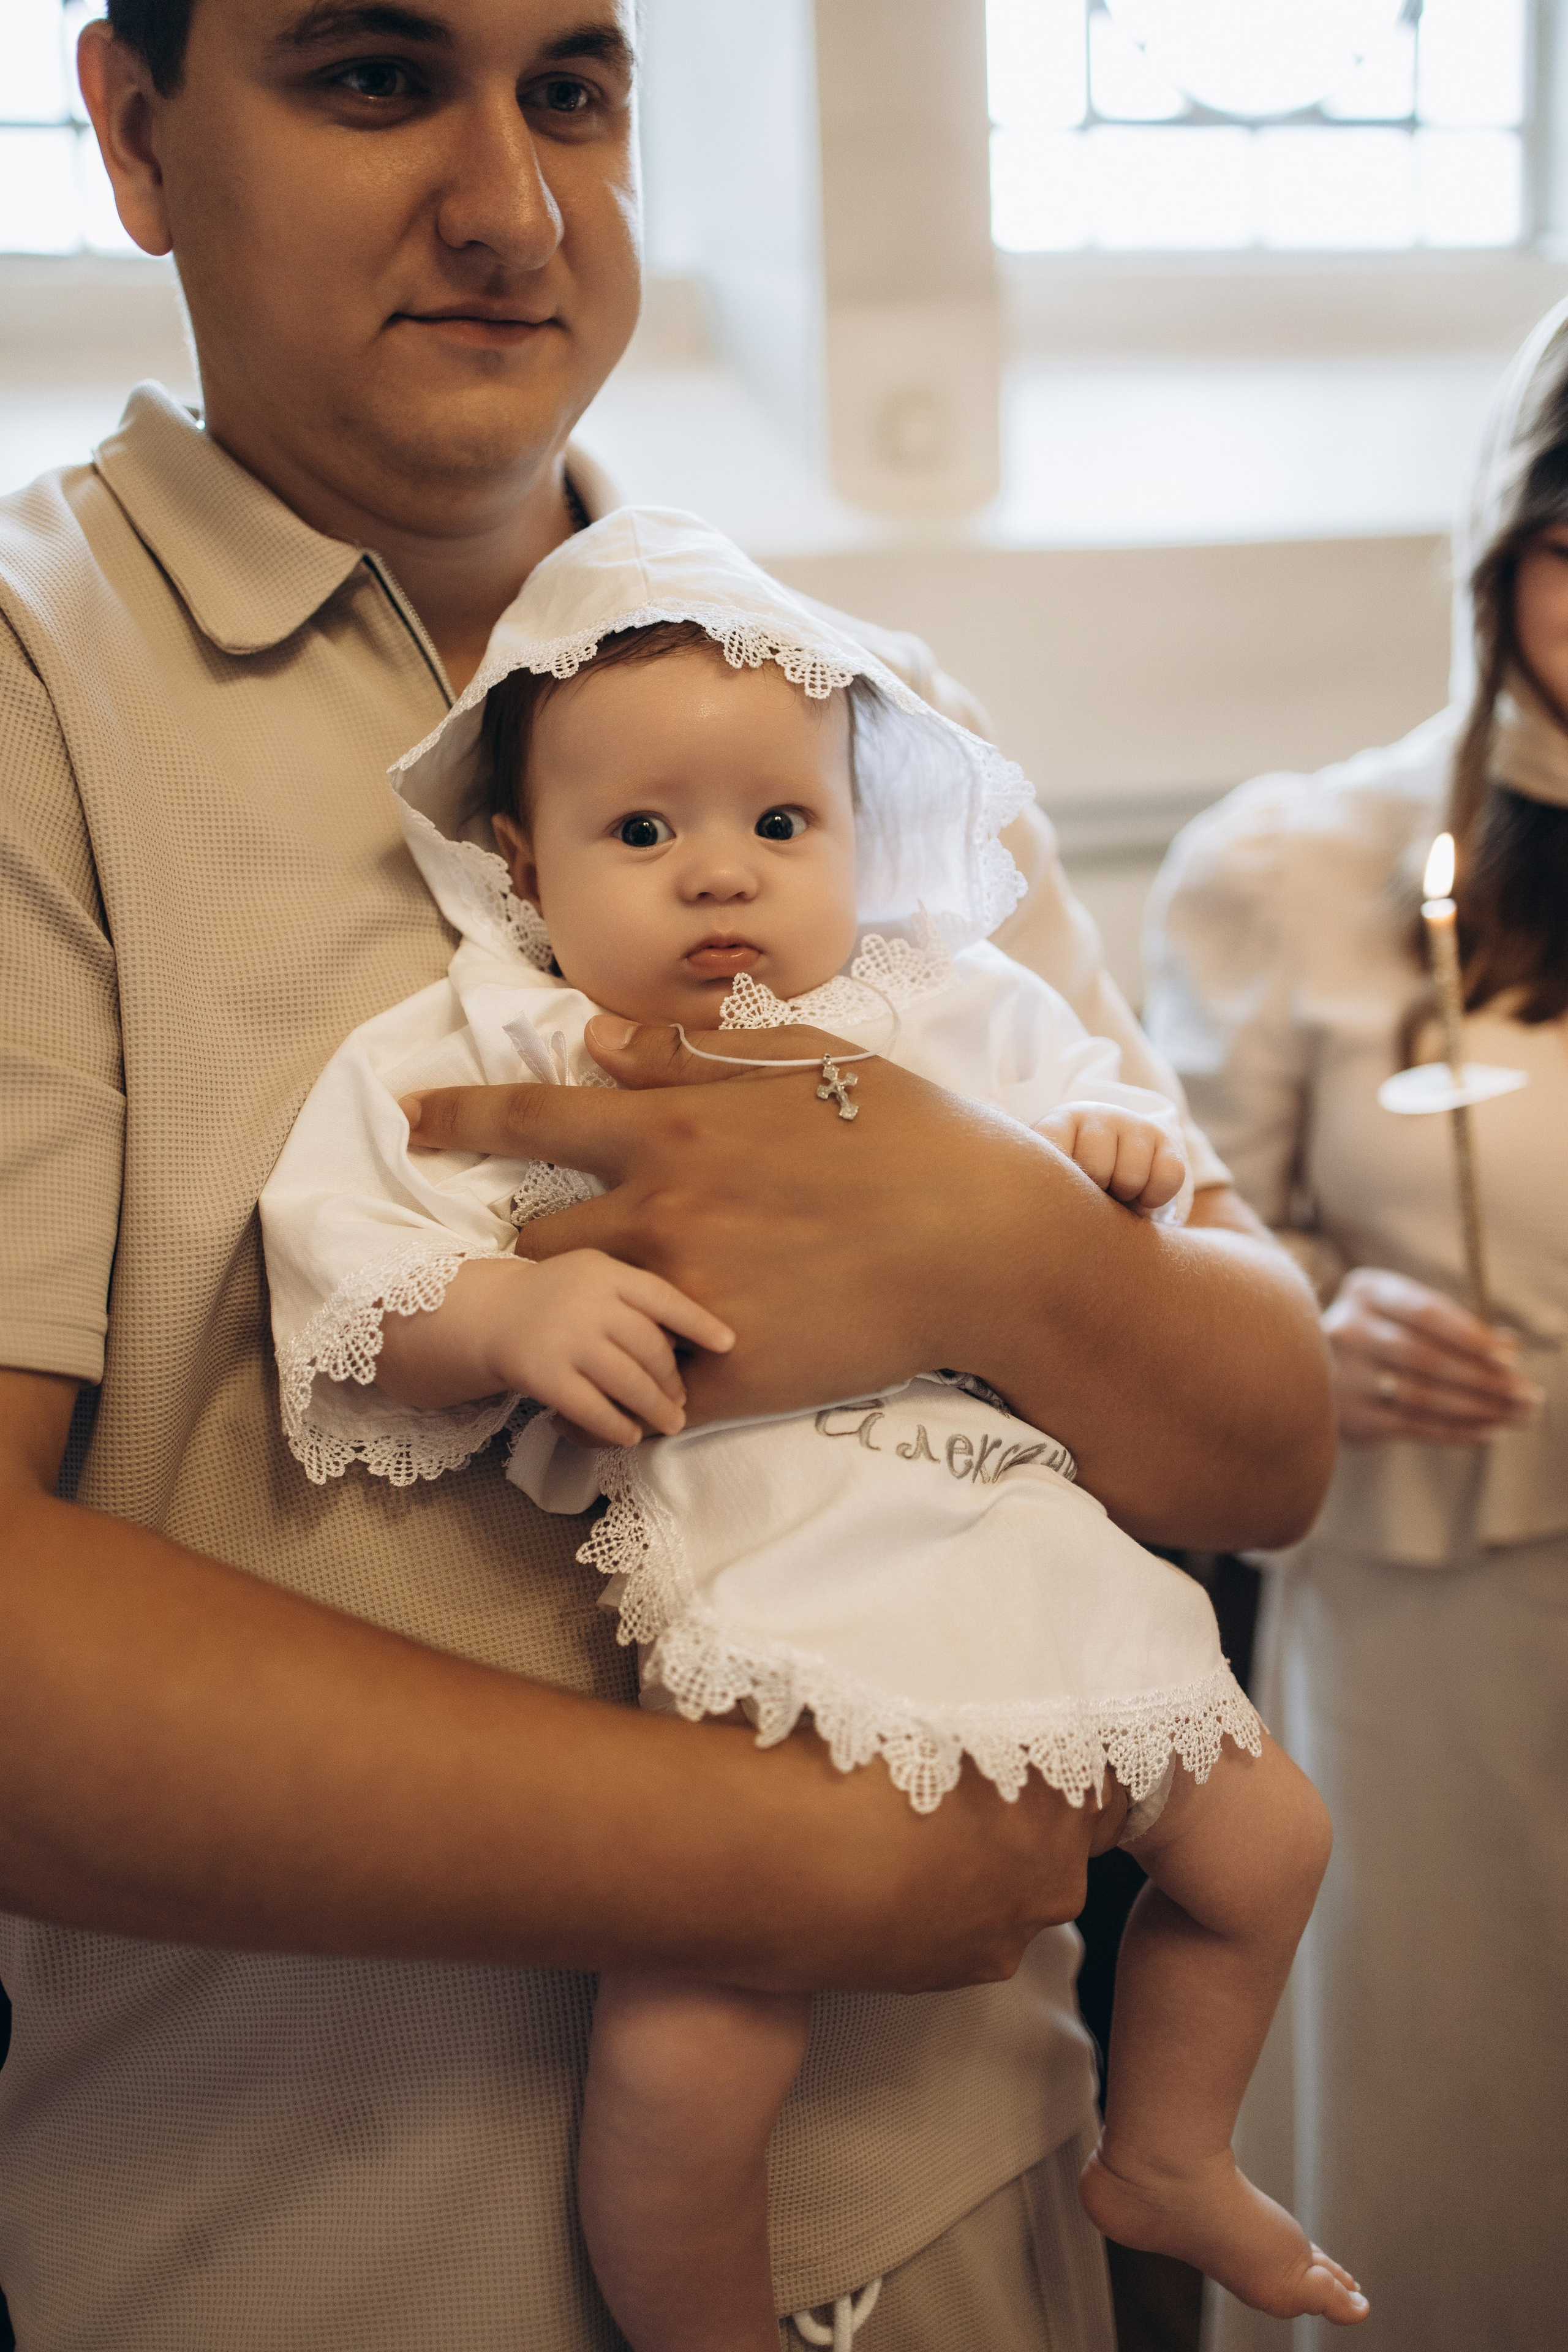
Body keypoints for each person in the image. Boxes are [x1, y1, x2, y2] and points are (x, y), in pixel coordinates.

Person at [0, 3, 1332, 2343]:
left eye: (576, 95)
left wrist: (996, 1241)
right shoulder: (42, 697)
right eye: (375, 76)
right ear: (133, 129)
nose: (516, 209)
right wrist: (785, 1862)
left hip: (966, 2216)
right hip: (324, 2260)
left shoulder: (831, 709)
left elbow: (1266, 1446)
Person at [260, 508, 1366, 2352]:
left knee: (1272, 1846)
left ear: (865, 833)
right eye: (643, 835)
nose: (721, 876)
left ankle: (1169, 2152)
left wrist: (1102, 1163)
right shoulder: (497, 1040)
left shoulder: (944, 999)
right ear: (522, 861)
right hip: (782, 1584)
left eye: (782, 825)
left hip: (1003, 1538)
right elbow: (347, 1262)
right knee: (698, 2037)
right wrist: (509, 1315)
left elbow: (1106, 1147)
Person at [1143, 300, 1568, 2352]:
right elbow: (1165, 1258)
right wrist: (1315, 1319)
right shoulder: (1292, 866)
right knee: (1450, 2124)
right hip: (1442, 1616)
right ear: (1504, 552)